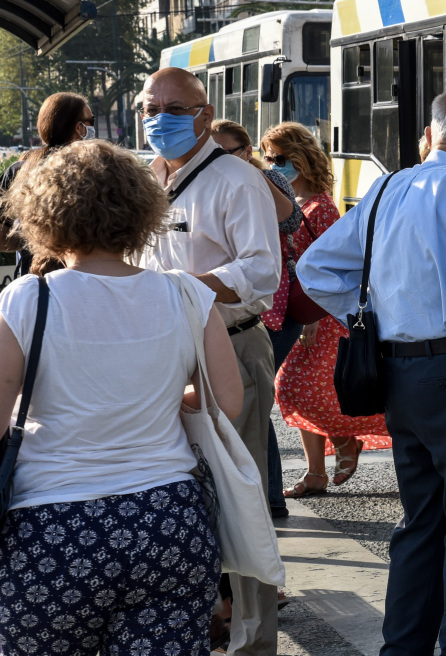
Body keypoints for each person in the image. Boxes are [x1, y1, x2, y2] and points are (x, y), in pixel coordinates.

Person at [297, 87, 446, 656]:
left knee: (421, 518)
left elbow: (315, 266)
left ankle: (404, 645)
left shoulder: (388, 186)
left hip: (397, 373)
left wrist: (365, 314)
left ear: (429, 135)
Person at [0, 140, 243, 654]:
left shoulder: (27, 298)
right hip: (170, 519)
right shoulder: (185, 292)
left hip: (53, 525)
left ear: (45, 214)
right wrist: (160, 398)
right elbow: (227, 402)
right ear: (141, 211)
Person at [136, 68, 282, 656]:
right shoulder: (146, 180)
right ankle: (197, 626)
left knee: (240, 503)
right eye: (151, 105)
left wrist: (190, 287)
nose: (159, 118)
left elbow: (263, 271)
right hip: (163, 353)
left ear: (203, 114)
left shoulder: (235, 180)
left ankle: (253, 640)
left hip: (231, 347)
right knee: (177, 496)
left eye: (174, 108)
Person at [260, 121, 388, 498]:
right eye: (266, 158)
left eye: (278, 158)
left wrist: (314, 316)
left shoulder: (321, 207)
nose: (271, 165)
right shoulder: (292, 204)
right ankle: (320, 468)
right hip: (294, 313)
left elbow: (333, 267)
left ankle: (345, 437)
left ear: (299, 159)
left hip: (320, 317)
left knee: (300, 387)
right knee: (295, 389)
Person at [211, 118, 304, 520]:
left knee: (255, 405)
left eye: (226, 152)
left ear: (246, 151)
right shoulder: (201, 181)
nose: (217, 161)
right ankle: (269, 497)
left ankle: (268, 499)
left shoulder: (266, 181)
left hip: (270, 307)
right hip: (223, 314)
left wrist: (249, 172)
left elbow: (290, 221)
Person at [0, 92, 96, 277]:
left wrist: (37, 238)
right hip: (91, 279)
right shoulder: (98, 170)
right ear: (80, 127)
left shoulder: (19, 171)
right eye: (91, 121)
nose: (92, 126)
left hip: (35, 283)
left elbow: (2, 238)